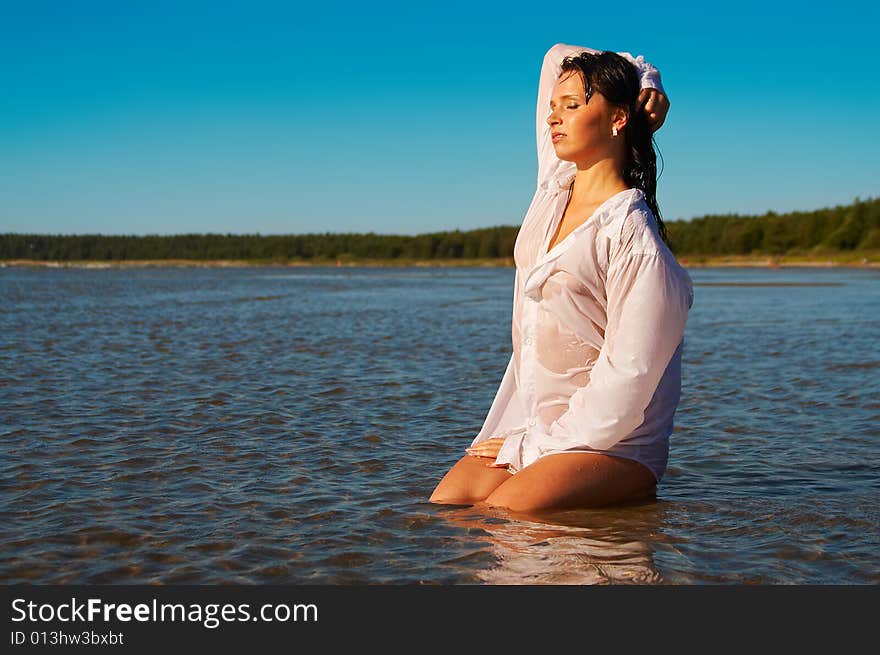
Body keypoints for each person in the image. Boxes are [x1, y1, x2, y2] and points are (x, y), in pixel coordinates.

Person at [429, 43, 693, 513]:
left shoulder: (633, 238)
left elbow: (628, 381)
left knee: (507, 515)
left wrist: (530, 450)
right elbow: (556, 56)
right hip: (532, 423)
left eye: (571, 106)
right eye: (553, 106)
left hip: (611, 440)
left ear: (617, 119)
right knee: (447, 506)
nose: (554, 117)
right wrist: (644, 76)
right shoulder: (554, 185)